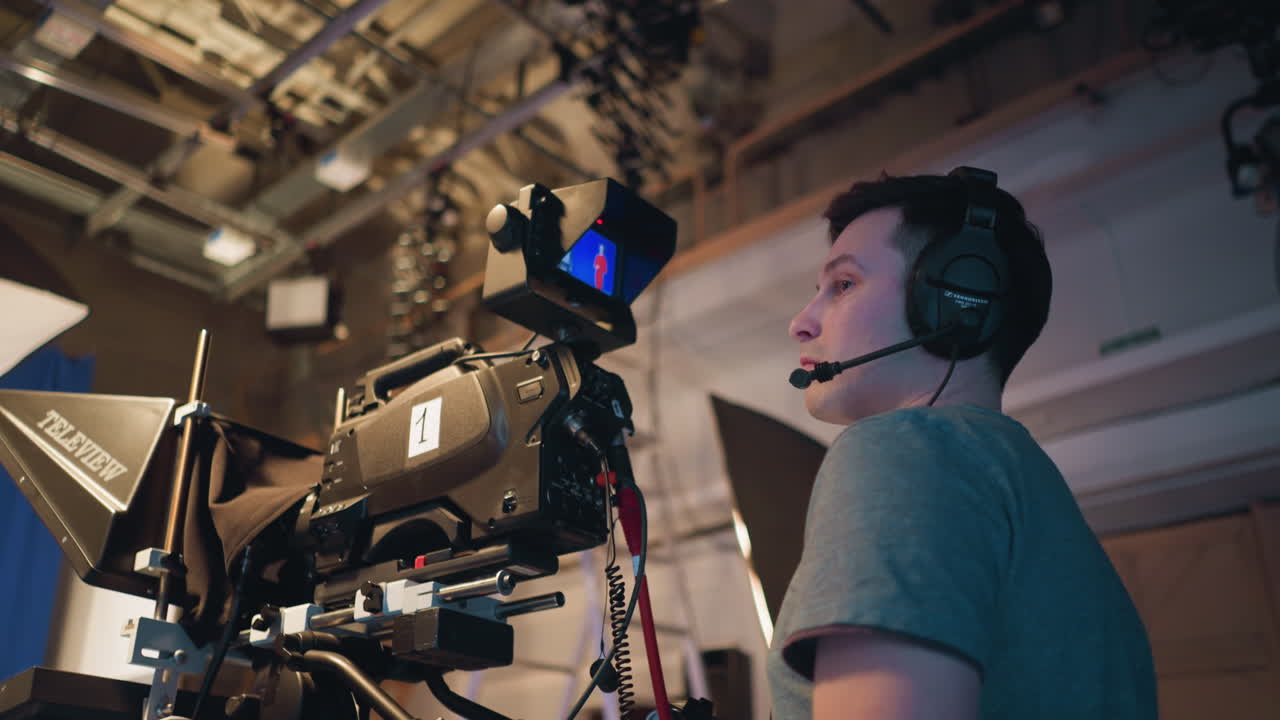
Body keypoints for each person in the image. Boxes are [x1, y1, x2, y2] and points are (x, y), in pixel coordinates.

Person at [768, 171, 1157, 719]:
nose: (800, 324)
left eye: (844, 284)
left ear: (957, 301)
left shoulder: (900, 451)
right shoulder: (1033, 501)